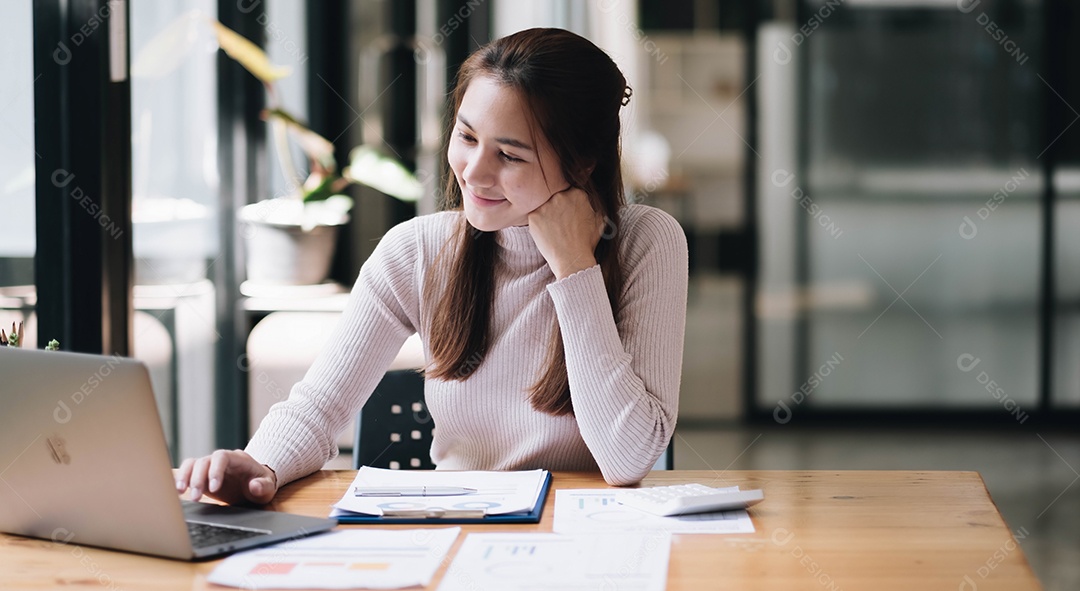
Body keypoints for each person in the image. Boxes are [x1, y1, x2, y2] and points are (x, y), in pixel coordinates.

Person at [175, 27, 688, 505]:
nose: (474, 172)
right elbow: (318, 407)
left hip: (594, 536)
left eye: (509, 155)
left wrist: (574, 267)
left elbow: (627, 459)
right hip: (462, 528)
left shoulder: (646, 242)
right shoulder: (417, 250)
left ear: (580, 165)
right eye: (467, 138)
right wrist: (258, 464)